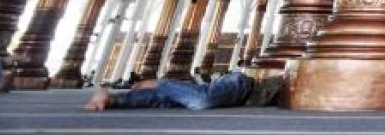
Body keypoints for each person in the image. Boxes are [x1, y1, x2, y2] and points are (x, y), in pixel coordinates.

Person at [84, 68, 279, 111]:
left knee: (171, 101)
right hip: (244, 85)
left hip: (242, 98)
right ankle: (160, 82)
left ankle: (114, 98)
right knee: (202, 100)